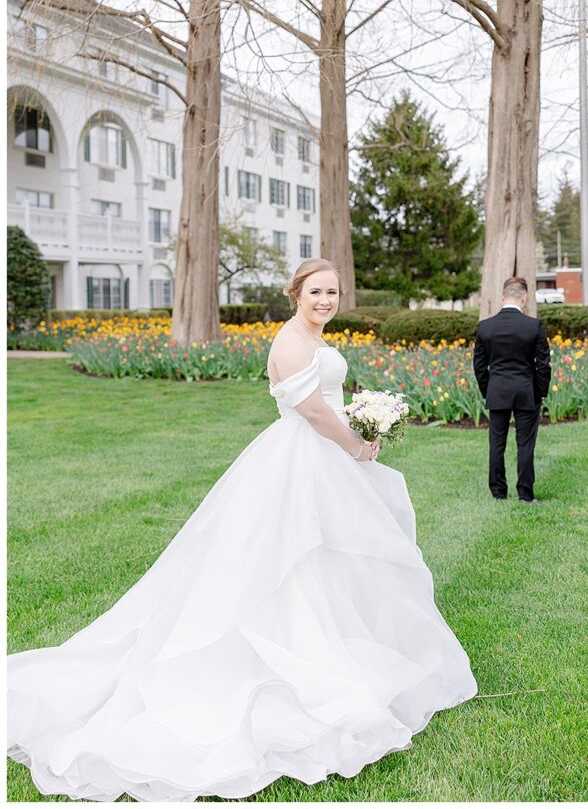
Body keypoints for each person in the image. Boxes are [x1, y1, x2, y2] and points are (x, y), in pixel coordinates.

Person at [8, 258, 477, 802]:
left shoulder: (311, 337)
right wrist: (352, 440)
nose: (326, 300)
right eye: (316, 292)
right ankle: (302, 654)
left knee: (333, 557)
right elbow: (311, 411)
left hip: (321, 457)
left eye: (333, 291)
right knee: (293, 558)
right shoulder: (291, 342)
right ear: (294, 293)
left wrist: (361, 420)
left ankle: (339, 638)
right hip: (306, 456)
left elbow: (327, 404)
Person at [472, 277, 551, 504]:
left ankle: (498, 492)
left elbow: (479, 365)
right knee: (525, 444)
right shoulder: (533, 326)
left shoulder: (485, 327)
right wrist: (540, 392)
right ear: (524, 299)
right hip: (526, 391)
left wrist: (489, 389)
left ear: (502, 297)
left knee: (496, 444)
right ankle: (525, 494)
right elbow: (543, 364)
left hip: (497, 391)